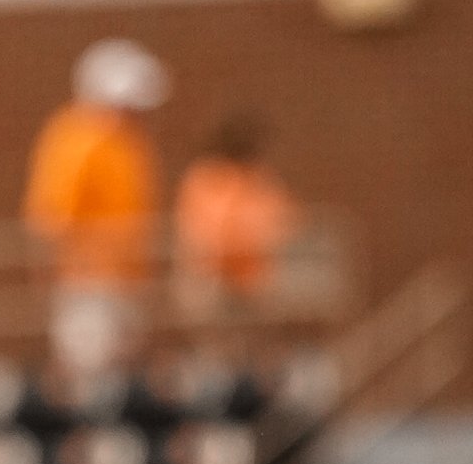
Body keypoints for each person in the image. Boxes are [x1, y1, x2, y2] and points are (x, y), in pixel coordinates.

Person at [21, 40, 166, 379]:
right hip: (87, 282)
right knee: (92, 374)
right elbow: (51, 220)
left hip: (123, 280)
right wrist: (53, 275)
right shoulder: (76, 138)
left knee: (124, 376)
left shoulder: (126, 143)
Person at [172, 118, 299, 317]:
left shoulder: (261, 179)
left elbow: (283, 222)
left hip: (254, 278)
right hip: (210, 276)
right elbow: (207, 229)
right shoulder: (208, 176)